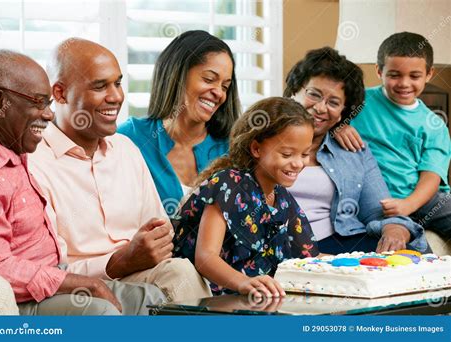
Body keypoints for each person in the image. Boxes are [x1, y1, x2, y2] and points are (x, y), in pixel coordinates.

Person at [0, 49, 165, 315]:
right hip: (23, 299)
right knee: (103, 313)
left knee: (153, 300)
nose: (49, 115)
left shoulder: (16, 150)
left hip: (54, 280)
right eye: (38, 102)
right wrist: (82, 284)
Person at [28, 38, 211, 303]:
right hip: (78, 291)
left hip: (143, 276)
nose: (116, 97)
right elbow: (46, 270)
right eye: (100, 86)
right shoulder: (33, 162)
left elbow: (161, 233)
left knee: (180, 272)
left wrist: (150, 248)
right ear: (59, 93)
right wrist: (116, 262)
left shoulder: (125, 149)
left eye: (117, 83)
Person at [284, 47, 427, 254]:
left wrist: (395, 229)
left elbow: (378, 211)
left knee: (413, 259)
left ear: (342, 113)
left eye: (334, 103)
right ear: (293, 92)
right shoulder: (263, 138)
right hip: (280, 243)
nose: (321, 108)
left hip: (338, 241)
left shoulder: (352, 150)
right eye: (314, 94)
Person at [172, 97, 319, 297]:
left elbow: (309, 258)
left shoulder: (282, 198)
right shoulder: (228, 185)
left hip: (258, 300)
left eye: (304, 154)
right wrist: (244, 283)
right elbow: (205, 258)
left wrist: (363, 265)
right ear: (256, 148)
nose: (298, 164)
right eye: (286, 154)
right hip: (210, 299)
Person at [333, 32, 451, 241]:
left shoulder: (434, 125)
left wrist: (409, 205)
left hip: (424, 199)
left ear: (429, 74)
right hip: (377, 200)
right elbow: (323, 117)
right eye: (394, 75)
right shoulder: (359, 101)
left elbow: (431, 176)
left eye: (414, 76)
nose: (404, 83)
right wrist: (338, 127)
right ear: (379, 71)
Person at [118, 30, 241, 215]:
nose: (219, 93)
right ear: (177, 74)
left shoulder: (233, 148)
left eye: (225, 86)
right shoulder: (130, 138)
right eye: (209, 79)